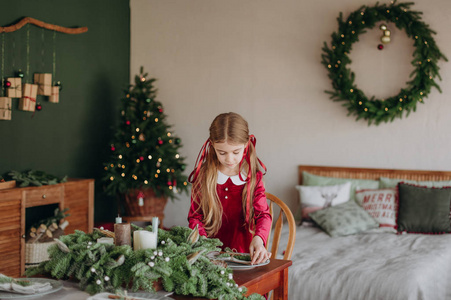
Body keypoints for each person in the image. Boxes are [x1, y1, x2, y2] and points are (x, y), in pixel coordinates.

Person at [188, 112, 272, 265]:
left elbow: (263, 216)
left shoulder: (253, 177)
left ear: (246, 145)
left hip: (245, 255)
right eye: (222, 153)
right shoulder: (204, 177)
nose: (229, 159)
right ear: (212, 146)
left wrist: (259, 240)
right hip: (210, 257)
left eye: (236, 152)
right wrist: (204, 244)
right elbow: (195, 217)